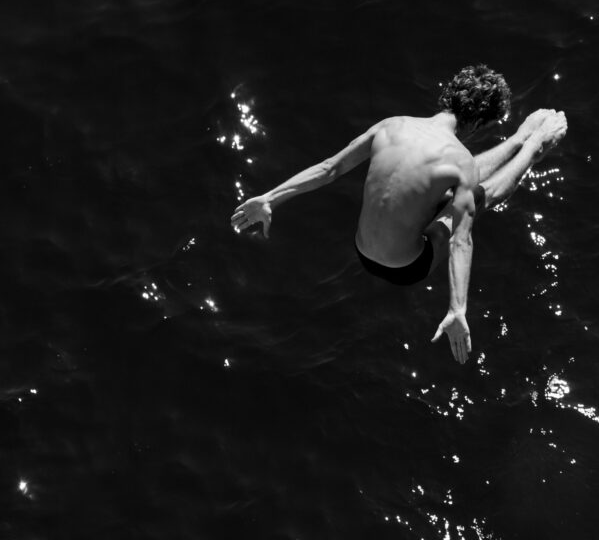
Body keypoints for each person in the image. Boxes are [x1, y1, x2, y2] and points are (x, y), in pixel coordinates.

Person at [230, 65, 567, 364]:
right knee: (478, 196)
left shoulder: (391, 126)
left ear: (448, 96)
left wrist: (270, 197)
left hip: (362, 250)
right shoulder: (459, 159)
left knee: (452, 181)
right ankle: (533, 146)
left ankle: (518, 139)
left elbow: (329, 168)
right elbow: (462, 240)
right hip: (407, 267)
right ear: (478, 122)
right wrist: (457, 309)